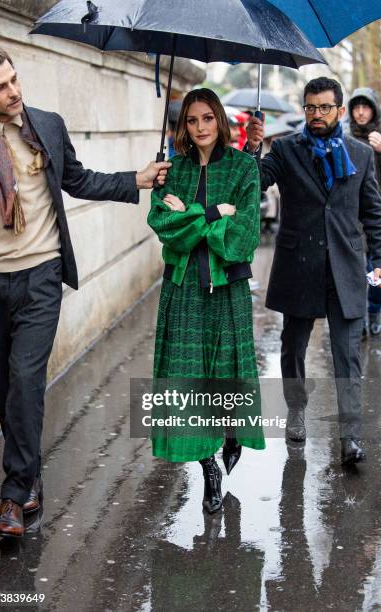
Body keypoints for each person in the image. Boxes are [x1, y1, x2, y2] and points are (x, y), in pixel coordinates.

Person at [0, 45, 170, 537]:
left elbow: (78, 180)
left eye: (14, 79)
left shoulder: (47, 125)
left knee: (25, 378)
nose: (14, 91)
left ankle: (15, 496)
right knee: (6, 387)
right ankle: (31, 474)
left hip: (40, 274)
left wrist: (136, 179)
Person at [246, 77, 381, 464]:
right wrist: (253, 149)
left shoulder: (359, 153)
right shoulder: (286, 149)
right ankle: (296, 408)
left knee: (347, 354)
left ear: (339, 110)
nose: (316, 114)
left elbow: (372, 212)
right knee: (293, 347)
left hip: (346, 267)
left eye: (324, 107)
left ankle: (350, 438)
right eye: (310, 107)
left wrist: (379, 260)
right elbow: (254, 184)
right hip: (299, 263)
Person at [147, 88, 265, 515]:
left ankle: (231, 434)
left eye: (207, 119)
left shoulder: (243, 168)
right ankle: (207, 467)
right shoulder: (171, 171)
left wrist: (192, 218)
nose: (200, 128)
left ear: (220, 120)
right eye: (192, 121)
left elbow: (244, 237)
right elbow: (163, 224)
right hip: (182, 290)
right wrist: (214, 213)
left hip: (228, 289)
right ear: (183, 126)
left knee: (226, 374)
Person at [347, 88, 381, 336]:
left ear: (374, 110)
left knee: (376, 270)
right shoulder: (345, 138)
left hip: (377, 215)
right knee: (356, 271)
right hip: (352, 216)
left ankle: (374, 311)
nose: (360, 112)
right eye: (356, 107)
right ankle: (359, 320)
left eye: (365, 107)